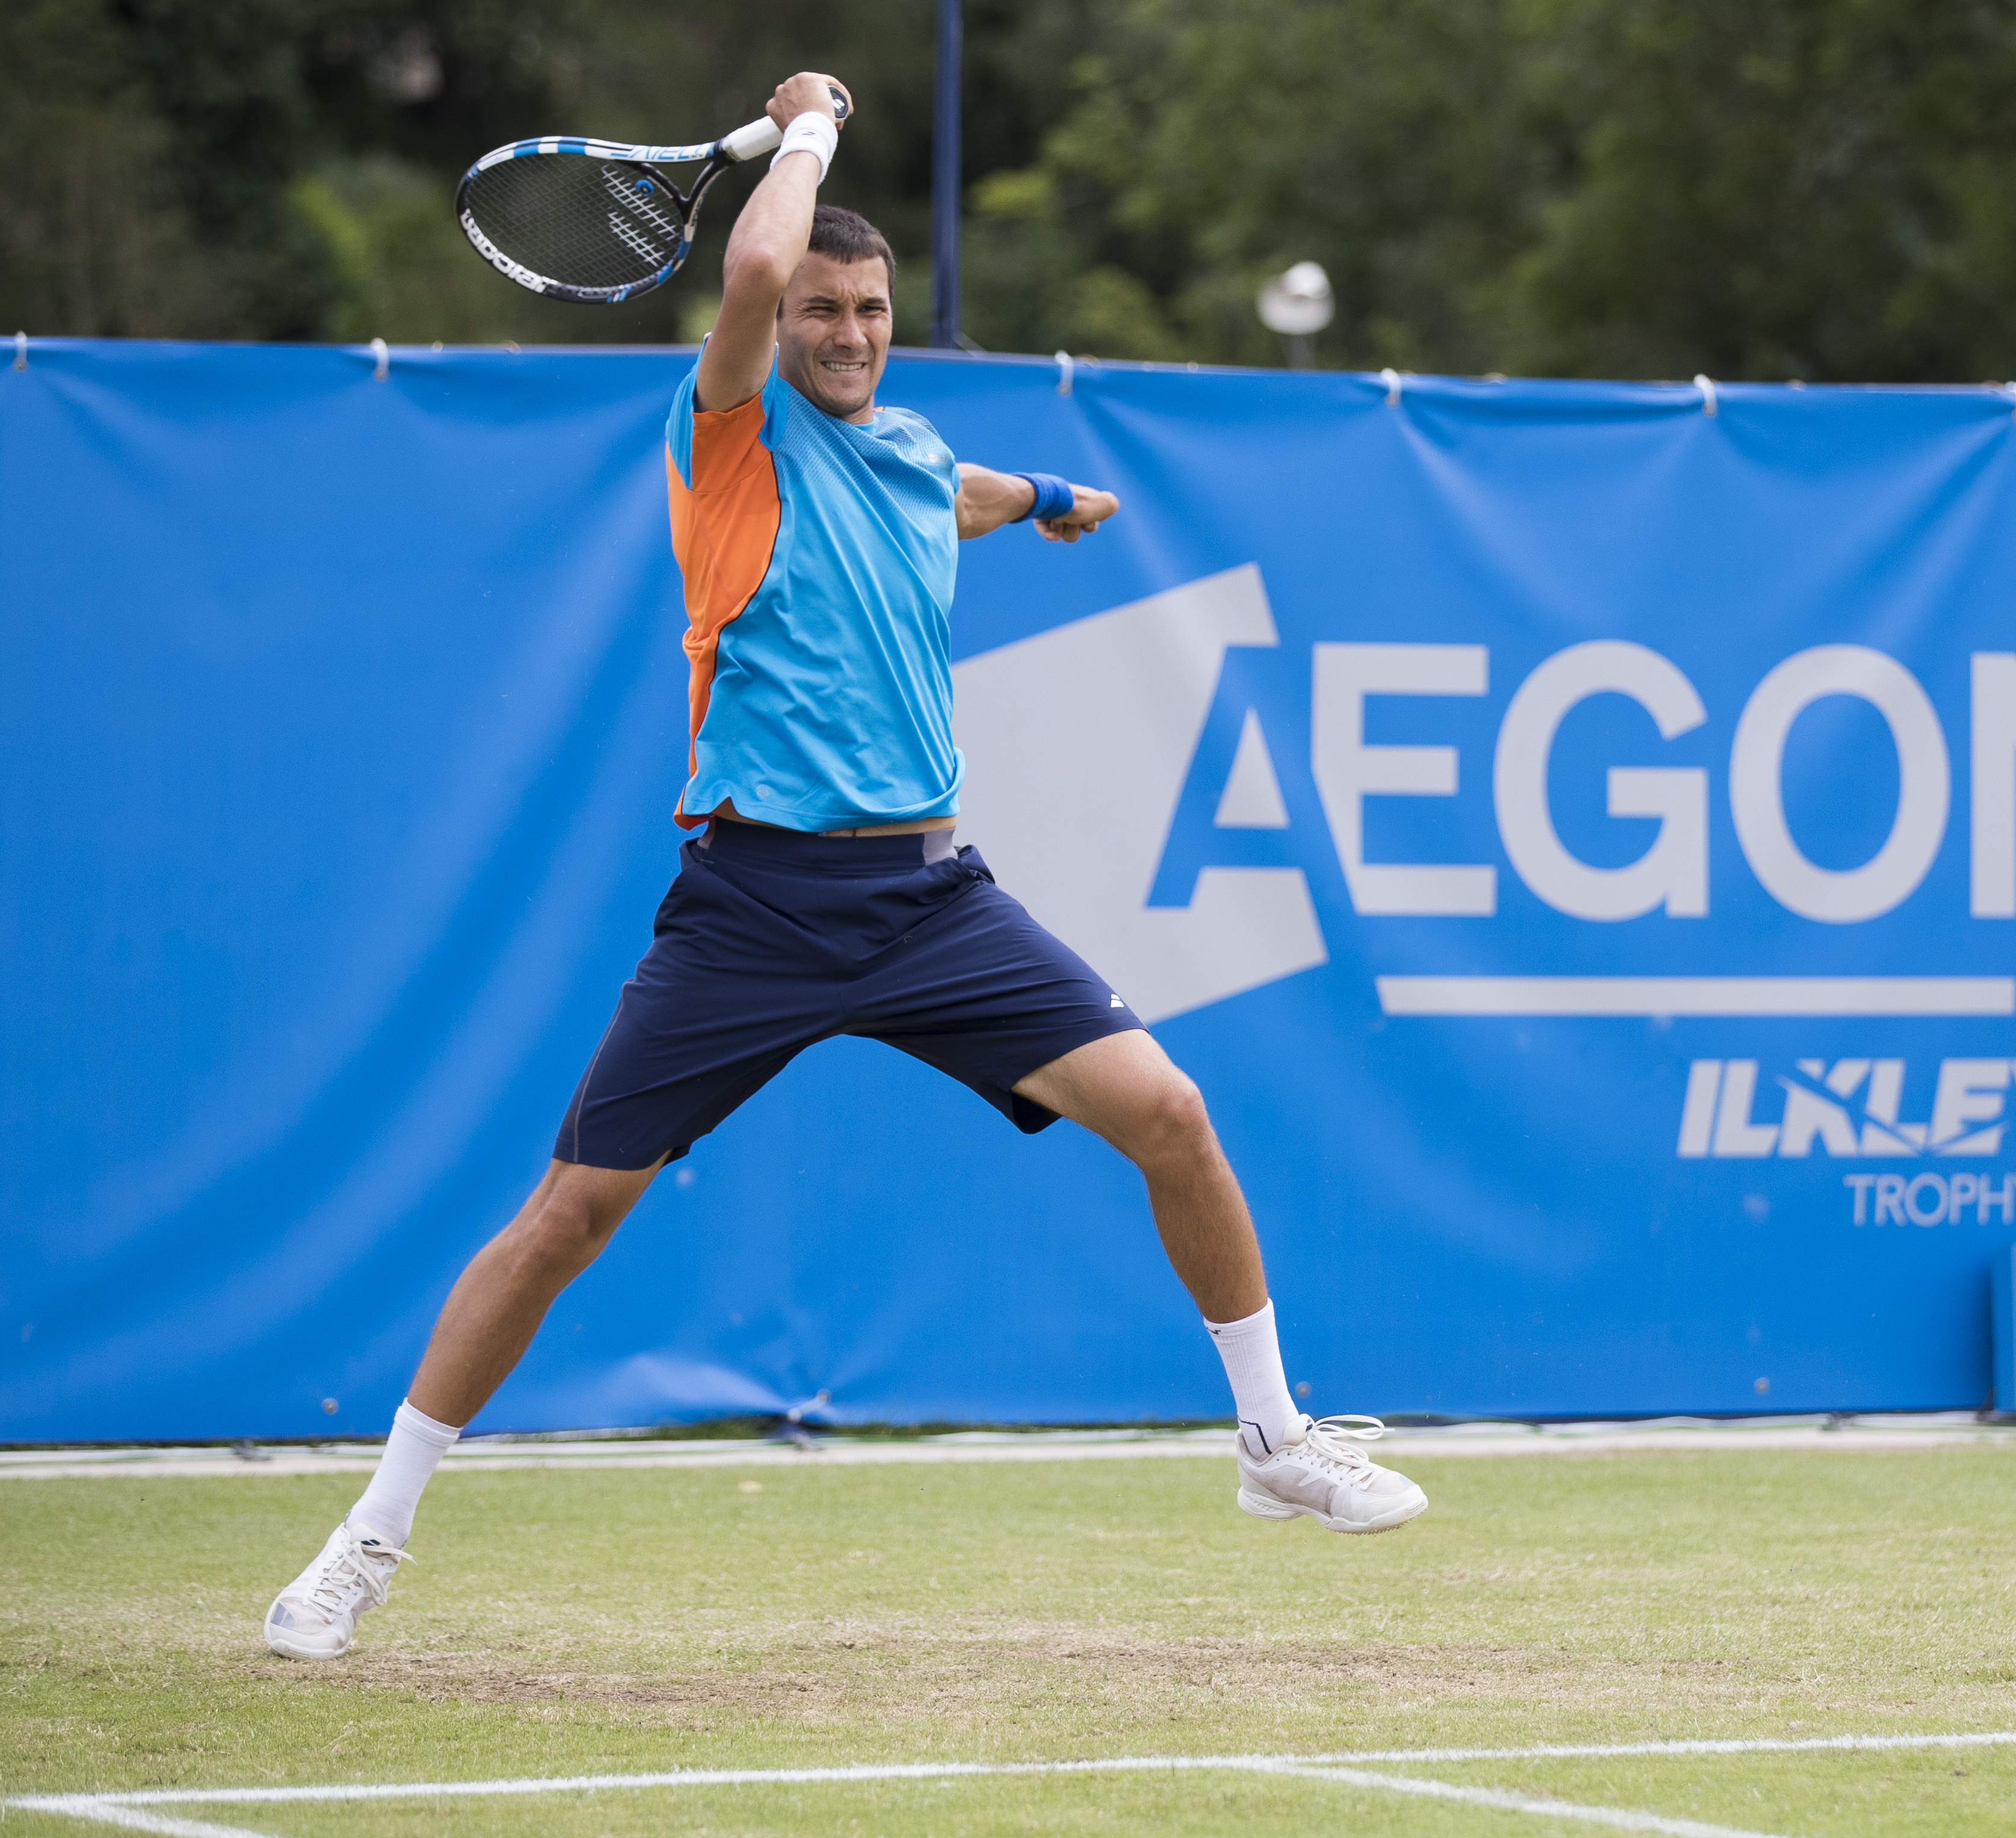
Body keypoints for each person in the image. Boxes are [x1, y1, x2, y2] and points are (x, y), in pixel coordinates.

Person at [264, 70, 1426, 1662]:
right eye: (825, 308)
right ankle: (364, 1541)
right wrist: (808, 125)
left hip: (934, 902)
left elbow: (959, 492)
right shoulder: (729, 441)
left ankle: (1273, 1438)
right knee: (565, 1220)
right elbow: (745, 274)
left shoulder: (912, 451)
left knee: (1173, 1114)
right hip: (753, 904)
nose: (848, 331)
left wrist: (1060, 501)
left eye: (870, 309)